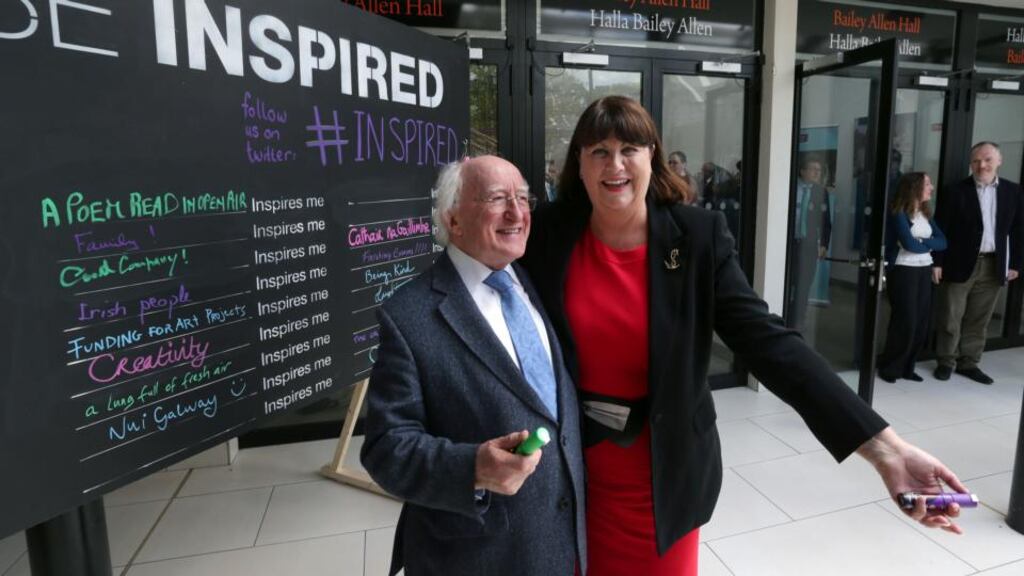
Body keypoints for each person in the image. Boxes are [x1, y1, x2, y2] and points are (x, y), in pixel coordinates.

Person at [521, 96, 966, 576]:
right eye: (599, 152)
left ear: (652, 156)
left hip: (663, 476)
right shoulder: (546, 234)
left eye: (629, 149)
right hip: (570, 475)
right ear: (580, 164)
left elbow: (771, 344)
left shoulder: (696, 236)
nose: (615, 165)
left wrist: (886, 451)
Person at [360, 156, 586, 576]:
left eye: (523, 198)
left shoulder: (533, 280)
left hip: (561, 542)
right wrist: (473, 468)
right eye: (497, 199)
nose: (517, 213)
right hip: (478, 557)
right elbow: (386, 449)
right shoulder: (409, 315)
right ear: (453, 220)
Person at [932, 141, 1023, 384]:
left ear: (999, 161)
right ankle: (946, 361)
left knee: (979, 318)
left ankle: (969, 363)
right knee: (951, 316)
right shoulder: (954, 191)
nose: (982, 165)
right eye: (976, 161)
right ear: (971, 164)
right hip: (958, 264)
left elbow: (1018, 230)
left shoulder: (1013, 191)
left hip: (994, 264)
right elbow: (941, 229)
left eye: (987, 160)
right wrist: (937, 262)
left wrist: (1015, 264)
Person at [876, 173, 947, 383]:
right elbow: (908, 244)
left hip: (924, 270)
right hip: (903, 270)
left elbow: (943, 242)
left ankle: (908, 368)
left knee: (921, 322)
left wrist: (921, 242)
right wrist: (926, 243)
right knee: (905, 321)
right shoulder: (898, 212)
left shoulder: (925, 214)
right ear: (914, 187)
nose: (931, 188)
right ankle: (891, 368)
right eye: (927, 184)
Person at [788, 154, 833, 331]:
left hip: (808, 244)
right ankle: (783, 315)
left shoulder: (820, 192)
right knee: (788, 281)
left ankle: (797, 321)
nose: (816, 173)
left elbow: (826, 222)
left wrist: (824, 245)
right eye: (813, 169)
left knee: (804, 284)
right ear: (802, 171)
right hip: (790, 243)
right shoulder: (790, 187)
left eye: (819, 170)